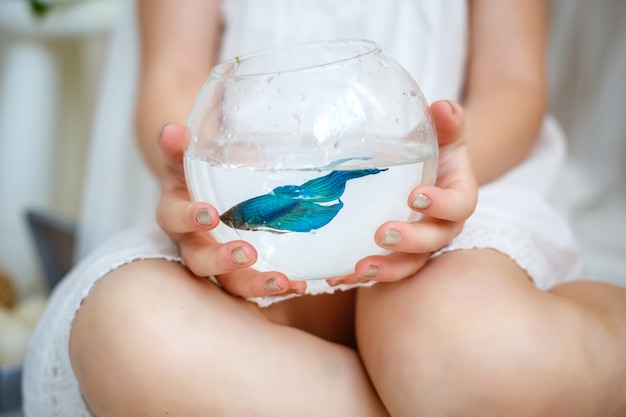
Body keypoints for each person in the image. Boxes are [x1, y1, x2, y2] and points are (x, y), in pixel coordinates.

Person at [23, 1, 626, 416]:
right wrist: (204, 186)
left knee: (461, 343)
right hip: (259, 216)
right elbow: (172, 79)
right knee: (131, 331)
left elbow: (513, 83)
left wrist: (439, 175)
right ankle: (433, 399)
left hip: (455, 197)